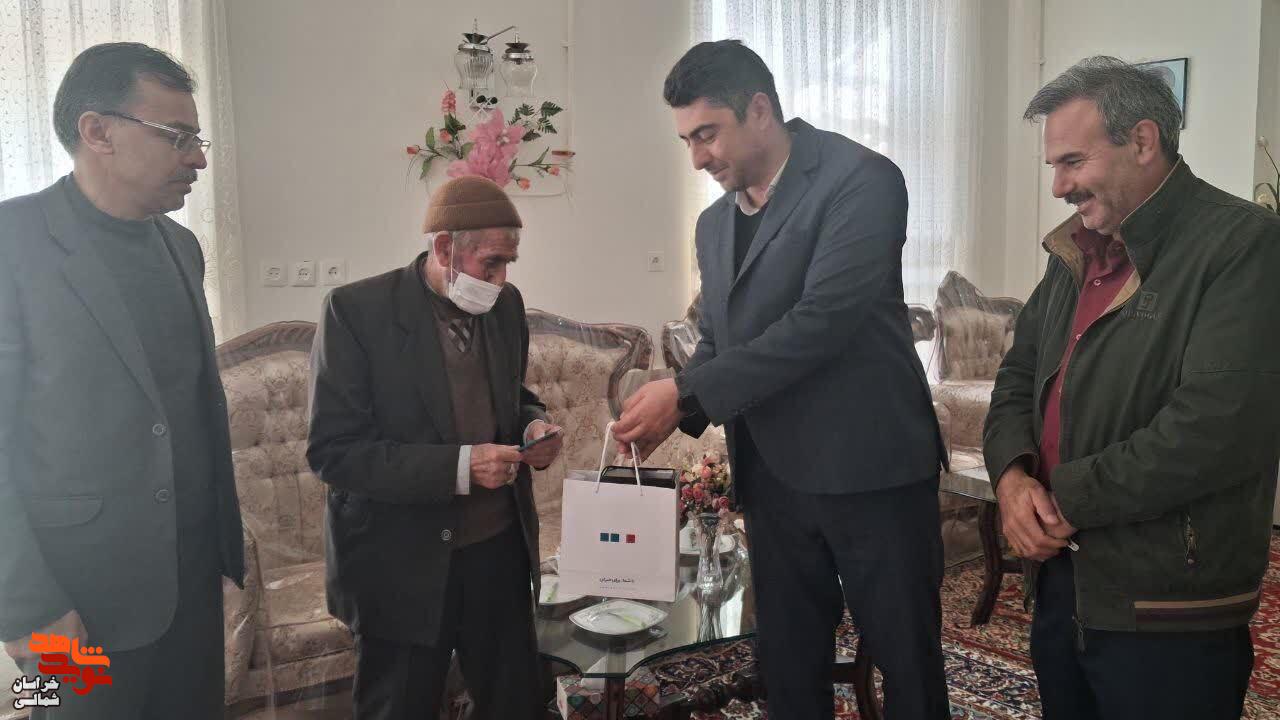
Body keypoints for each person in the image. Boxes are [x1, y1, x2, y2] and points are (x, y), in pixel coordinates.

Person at [614, 40, 949, 719]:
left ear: (760, 110)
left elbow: (822, 321)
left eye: (707, 134)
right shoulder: (713, 224)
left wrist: (685, 395)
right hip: (771, 479)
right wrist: (668, 411)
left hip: (872, 472)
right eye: (687, 140)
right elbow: (718, 340)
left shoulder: (862, 180)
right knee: (790, 667)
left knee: (907, 661)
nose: (698, 157)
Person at [984, 56, 1280, 719]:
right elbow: (1018, 375)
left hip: (1169, 606)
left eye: (1072, 162)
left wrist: (1063, 498)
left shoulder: (1245, 245)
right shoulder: (1077, 250)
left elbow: (1217, 429)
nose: (1058, 186)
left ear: (1143, 141)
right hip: (1063, 583)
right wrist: (1011, 479)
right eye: (1054, 165)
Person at [0, 42, 243, 718]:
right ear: (97, 131)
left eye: (198, 140)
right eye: (178, 137)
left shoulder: (181, 246)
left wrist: (222, 559)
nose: (198, 159)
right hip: (66, 610)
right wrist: (26, 609)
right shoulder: (11, 244)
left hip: (189, 593)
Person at [307, 175, 561, 719]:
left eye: (509, 263)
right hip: (400, 562)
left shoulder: (507, 307)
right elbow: (335, 452)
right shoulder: (356, 313)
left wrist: (533, 426)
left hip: (498, 554)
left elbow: (512, 396)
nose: (501, 279)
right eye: (491, 263)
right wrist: (461, 467)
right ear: (444, 248)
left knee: (516, 705)